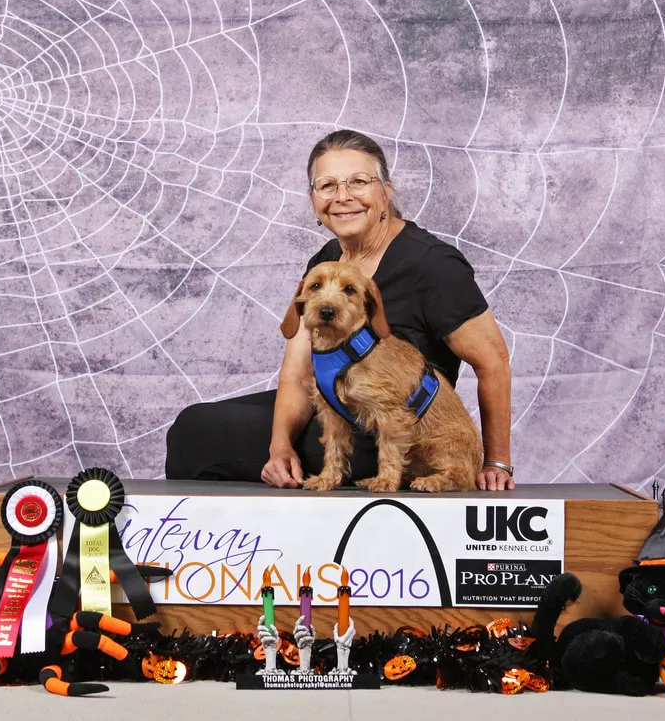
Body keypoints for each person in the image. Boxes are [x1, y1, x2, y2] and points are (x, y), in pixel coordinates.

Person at [165, 129, 514, 491]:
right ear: (314, 199)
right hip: (336, 408)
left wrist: (496, 461)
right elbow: (299, 375)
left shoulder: (432, 264)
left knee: (203, 437)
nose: (343, 197)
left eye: (359, 182)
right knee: (194, 422)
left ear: (385, 190)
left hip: (391, 431)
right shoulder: (327, 260)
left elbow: (493, 360)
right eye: (327, 186)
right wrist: (279, 446)